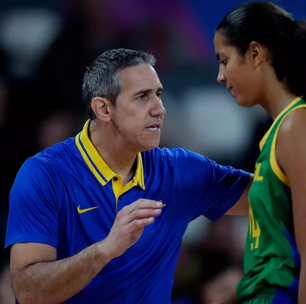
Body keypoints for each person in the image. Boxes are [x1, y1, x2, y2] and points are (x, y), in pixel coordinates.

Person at [5, 49, 251, 304]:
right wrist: (105, 249)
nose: (160, 109)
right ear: (103, 109)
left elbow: (275, 197)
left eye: (158, 95)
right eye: (142, 97)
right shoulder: (44, 175)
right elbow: (28, 292)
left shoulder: (180, 170)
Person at [214, 2, 306, 304]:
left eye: (224, 60)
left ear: (255, 54)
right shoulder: (276, 132)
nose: (220, 75)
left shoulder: (296, 126)